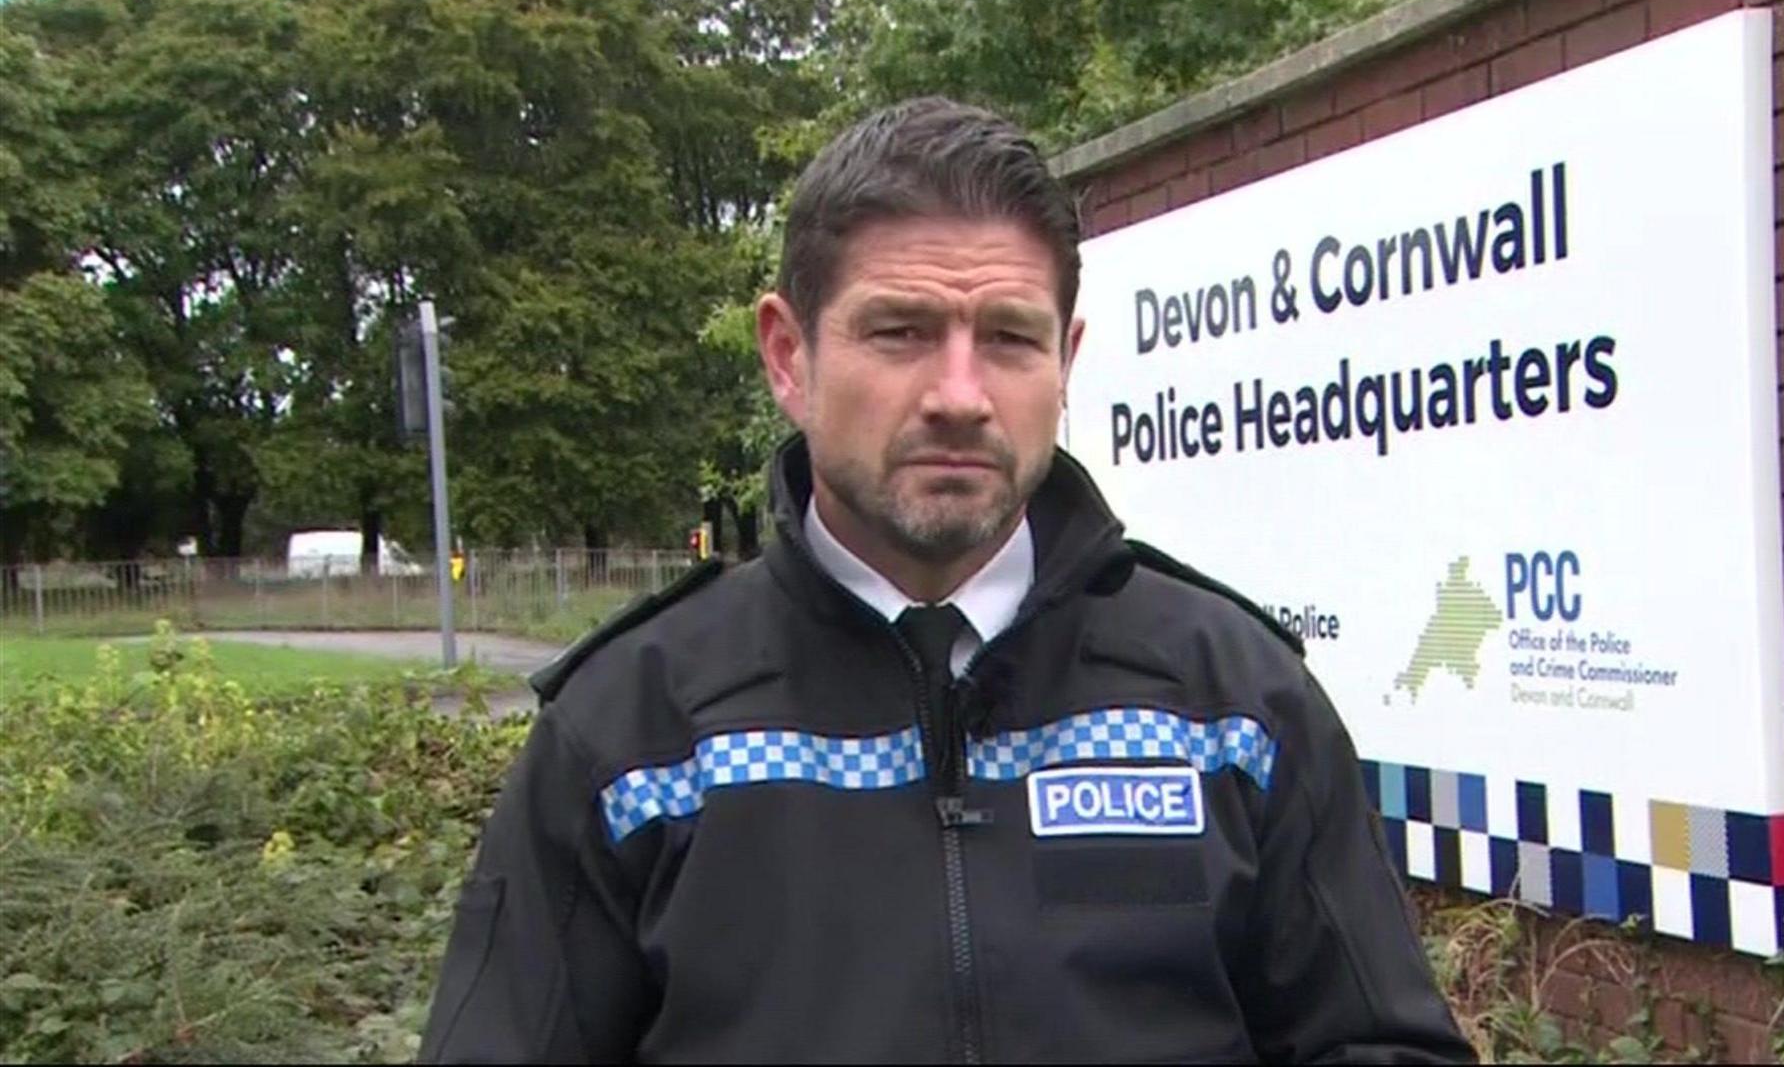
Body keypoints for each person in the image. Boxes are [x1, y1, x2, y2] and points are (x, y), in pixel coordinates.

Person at [419, 97, 1474, 1064]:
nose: (960, 395)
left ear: (1065, 361)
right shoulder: (632, 737)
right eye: (902, 331)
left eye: (1008, 339)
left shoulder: (1234, 705)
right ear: (789, 356)